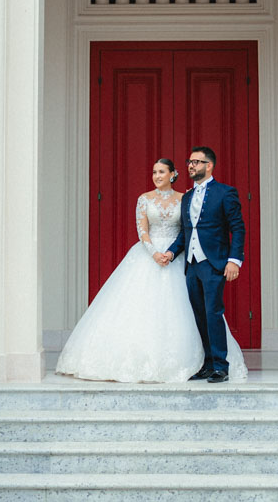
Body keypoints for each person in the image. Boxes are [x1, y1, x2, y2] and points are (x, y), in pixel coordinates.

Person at [56, 158, 247, 383]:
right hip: (149, 256)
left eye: (162, 172)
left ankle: (212, 363)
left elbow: (188, 230)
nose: (157, 176)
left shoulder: (185, 198)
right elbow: (142, 230)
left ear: (173, 174)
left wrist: (171, 253)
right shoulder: (144, 199)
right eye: (154, 172)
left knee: (200, 310)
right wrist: (154, 252)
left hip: (179, 258)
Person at [156, 145, 246, 383]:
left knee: (213, 312)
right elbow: (185, 234)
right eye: (189, 162)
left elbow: (237, 228)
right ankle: (207, 364)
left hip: (214, 263)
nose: (191, 165)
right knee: (199, 314)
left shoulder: (226, 193)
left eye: (196, 162)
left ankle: (221, 366)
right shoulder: (186, 197)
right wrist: (171, 253)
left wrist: (234, 260)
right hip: (191, 265)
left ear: (209, 166)